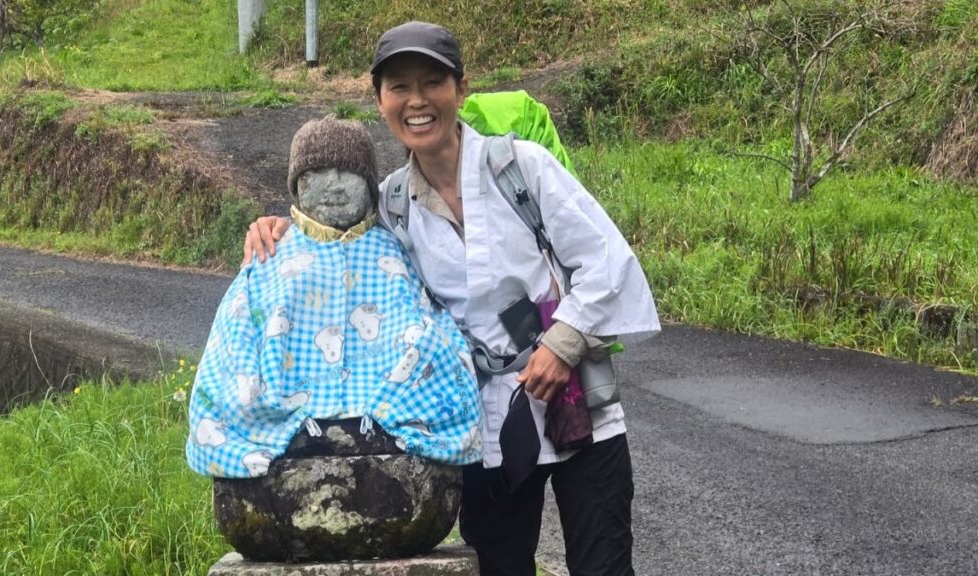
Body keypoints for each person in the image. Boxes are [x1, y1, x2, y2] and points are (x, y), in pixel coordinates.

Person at [244, 22, 660, 576]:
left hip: (575, 404)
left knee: (602, 565)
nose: (417, 100)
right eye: (400, 87)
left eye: (433, 82)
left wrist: (561, 345)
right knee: (498, 566)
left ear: (460, 89)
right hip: (481, 420)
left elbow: (607, 261)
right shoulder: (393, 204)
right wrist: (274, 226)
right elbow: (337, 243)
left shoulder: (521, 168)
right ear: (380, 100)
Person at [186, 115, 482, 481]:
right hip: (287, 421)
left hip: (386, 418)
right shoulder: (274, 254)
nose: (334, 186)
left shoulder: (394, 245)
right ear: (297, 185)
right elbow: (233, 336)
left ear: (371, 185)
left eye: (347, 173)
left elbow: (428, 323)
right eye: (319, 173)